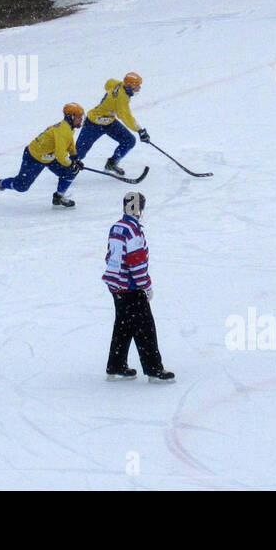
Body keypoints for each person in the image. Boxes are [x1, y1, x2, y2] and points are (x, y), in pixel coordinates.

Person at [103, 191, 173, 383]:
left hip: (115, 285)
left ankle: (116, 366)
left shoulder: (118, 227)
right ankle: (154, 371)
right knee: (145, 329)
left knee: (124, 326)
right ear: (141, 208)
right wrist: (146, 286)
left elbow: (110, 255)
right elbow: (137, 263)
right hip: (130, 288)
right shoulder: (133, 231)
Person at [0, 103, 85, 208]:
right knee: (22, 186)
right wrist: (71, 163)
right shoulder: (63, 130)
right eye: (78, 116)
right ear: (70, 116)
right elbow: (61, 155)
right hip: (34, 157)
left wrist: (74, 158)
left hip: (49, 156)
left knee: (71, 172)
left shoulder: (69, 128)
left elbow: (70, 144)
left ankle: (59, 197)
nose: (81, 119)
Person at [77, 72, 148, 175]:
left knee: (129, 140)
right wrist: (140, 130)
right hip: (93, 123)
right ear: (130, 85)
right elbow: (126, 117)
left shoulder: (119, 84)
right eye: (137, 85)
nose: (139, 88)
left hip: (109, 122)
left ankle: (112, 163)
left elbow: (108, 83)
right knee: (80, 151)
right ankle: (66, 168)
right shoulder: (122, 98)